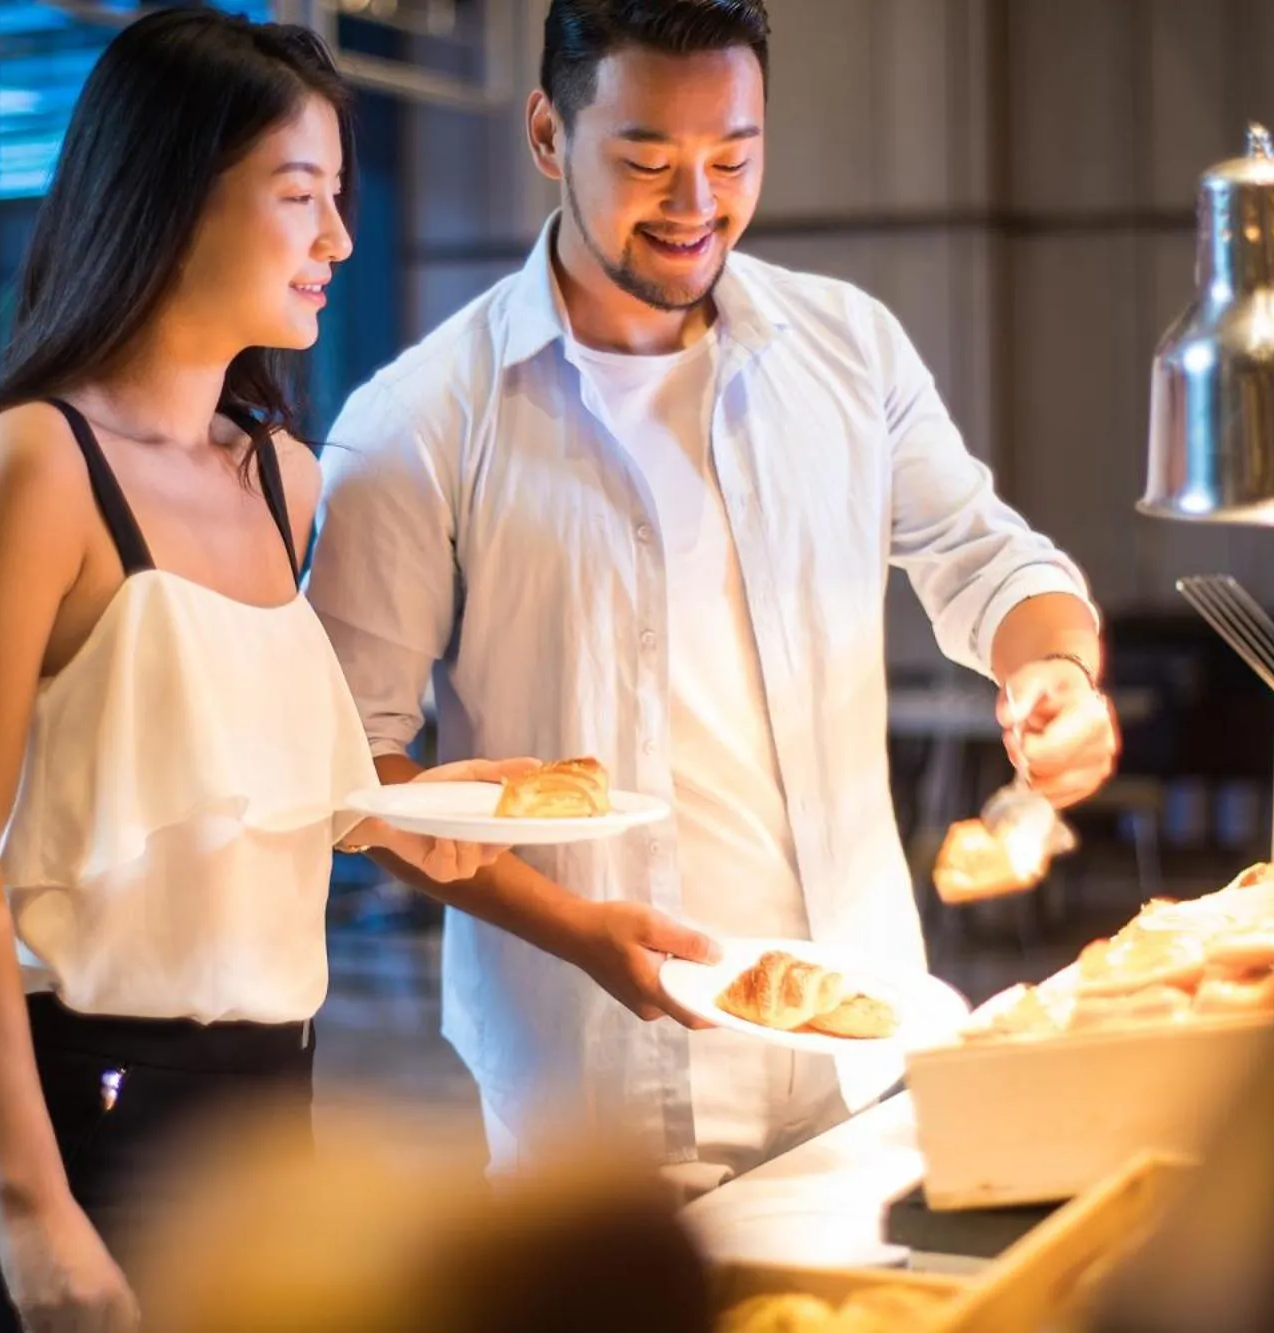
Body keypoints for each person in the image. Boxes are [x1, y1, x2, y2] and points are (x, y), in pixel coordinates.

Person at [307, 0, 1120, 1191]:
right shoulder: (417, 422)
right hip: (587, 1105)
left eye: (732, 158)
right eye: (645, 161)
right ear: (546, 133)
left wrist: (1049, 668)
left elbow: (984, 556)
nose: (696, 202)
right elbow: (358, 777)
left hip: (860, 1055)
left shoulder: (847, 351)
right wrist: (581, 936)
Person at [0, 12, 524, 1331]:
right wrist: (31, 1206)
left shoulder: (288, 481)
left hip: (272, 1095)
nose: (337, 241)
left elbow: (264, 789)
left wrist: (432, 808)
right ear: (171, 195)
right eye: (301, 198)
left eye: (341, 199)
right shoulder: (37, 465)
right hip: (94, 1109)